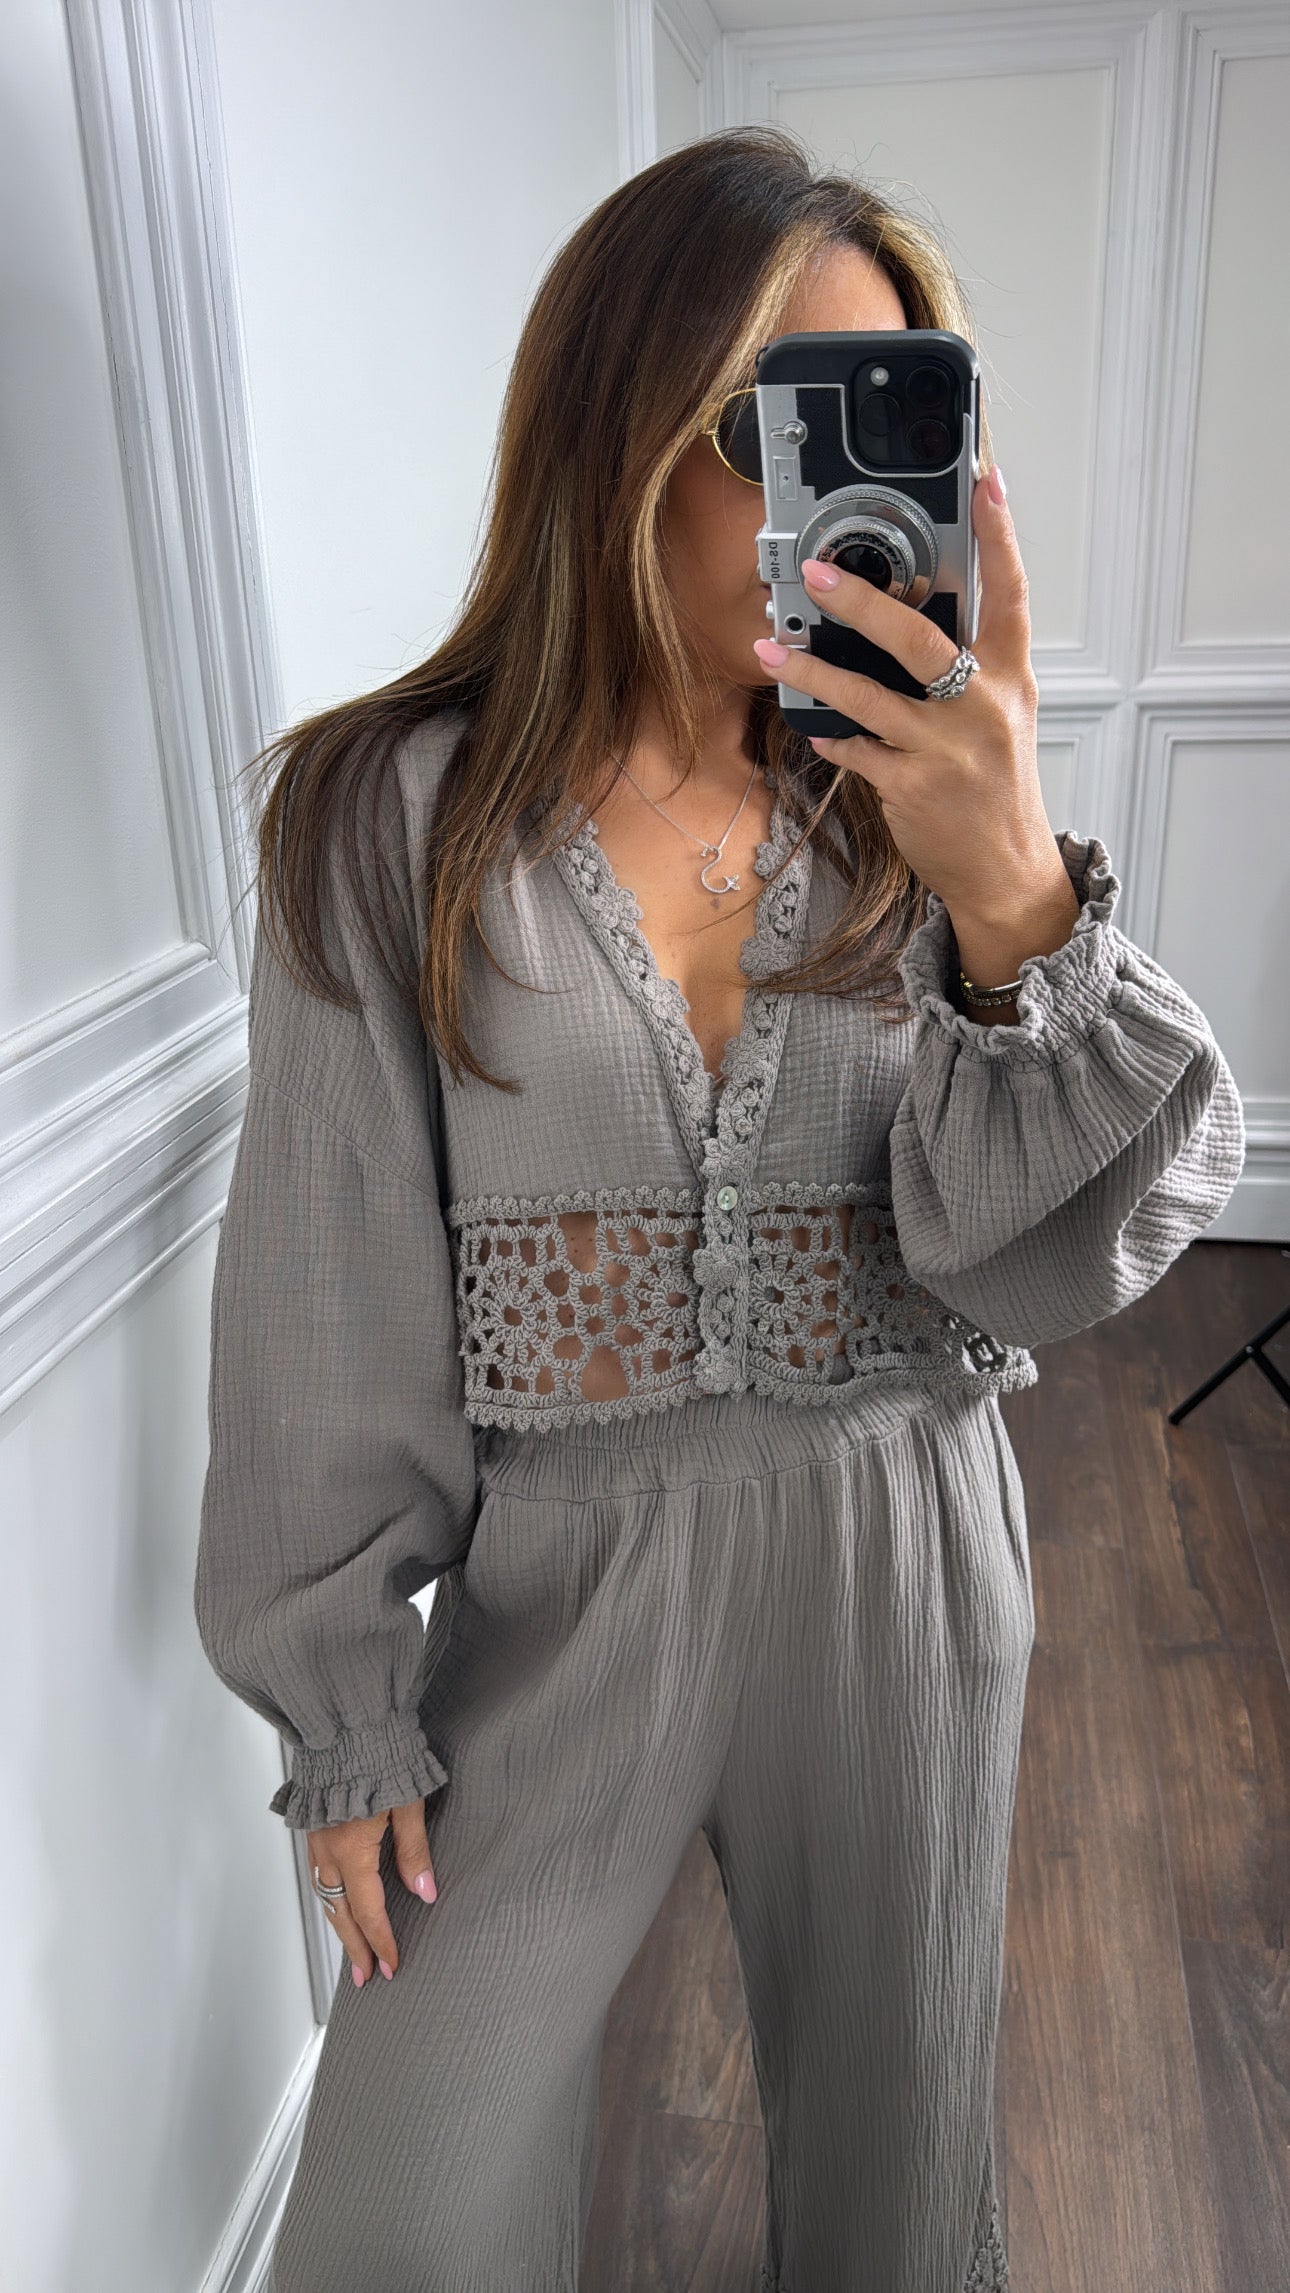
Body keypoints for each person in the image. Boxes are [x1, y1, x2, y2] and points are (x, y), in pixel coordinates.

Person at [194, 126, 1245, 2293]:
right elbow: (322, 1290)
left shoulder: (924, 801)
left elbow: (1037, 1257)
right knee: (406, 2200)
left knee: (899, 2182)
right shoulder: (385, 817)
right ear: (625, 426)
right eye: (778, 426)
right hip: (565, 1596)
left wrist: (1011, 892)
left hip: (900, 1548)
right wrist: (341, 1712)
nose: (830, 501)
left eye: (891, 427)